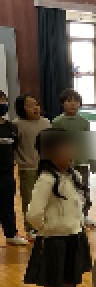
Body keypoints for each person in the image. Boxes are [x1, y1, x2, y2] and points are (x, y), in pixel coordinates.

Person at [24, 129, 96, 287]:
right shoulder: (46, 179)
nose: (71, 151)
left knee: (70, 282)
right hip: (54, 241)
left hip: (74, 237)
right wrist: (49, 229)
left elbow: (78, 204)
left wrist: (80, 223)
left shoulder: (73, 175)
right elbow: (33, 214)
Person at [52, 89, 95, 227]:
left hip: (82, 162)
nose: (72, 104)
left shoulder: (84, 122)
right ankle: (67, 216)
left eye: (76, 101)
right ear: (62, 103)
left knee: (83, 189)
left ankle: (84, 215)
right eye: (69, 101)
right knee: (65, 189)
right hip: (64, 163)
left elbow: (88, 142)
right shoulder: (57, 122)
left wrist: (92, 163)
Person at [14, 95, 51, 238]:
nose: (35, 108)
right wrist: (20, 161)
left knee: (47, 197)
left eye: (36, 104)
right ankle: (30, 228)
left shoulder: (46, 123)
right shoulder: (17, 124)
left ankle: (45, 224)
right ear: (22, 108)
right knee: (29, 199)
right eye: (30, 105)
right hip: (27, 168)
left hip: (46, 167)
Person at [0, 91, 28, 245]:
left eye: (3, 101)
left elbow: (15, 147)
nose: (2, 104)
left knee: (8, 205)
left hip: (6, 174)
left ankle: (11, 234)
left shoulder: (11, 127)